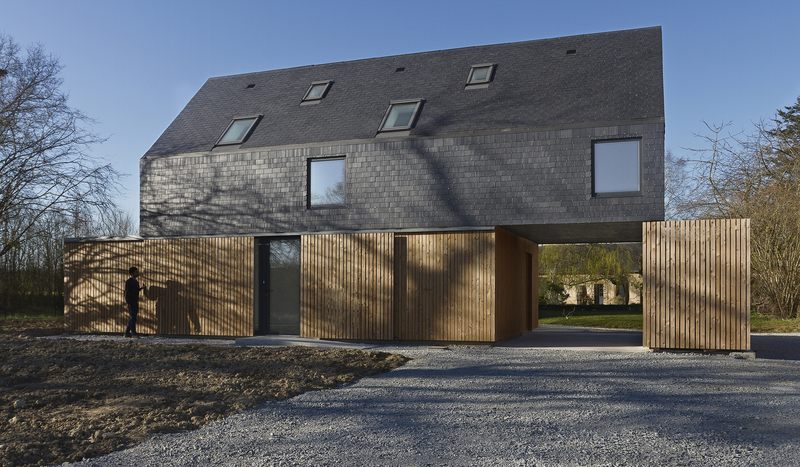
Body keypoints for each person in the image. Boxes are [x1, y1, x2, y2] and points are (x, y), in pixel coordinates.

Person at [124, 266, 146, 338]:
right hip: (131, 301)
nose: (138, 273)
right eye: (136, 272)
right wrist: (128, 302)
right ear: (132, 273)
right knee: (133, 317)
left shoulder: (135, 281)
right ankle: (133, 333)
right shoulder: (129, 281)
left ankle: (127, 333)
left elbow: (135, 290)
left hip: (135, 301)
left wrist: (141, 288)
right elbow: (127, 292)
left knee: (133, 317)